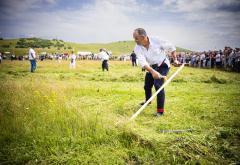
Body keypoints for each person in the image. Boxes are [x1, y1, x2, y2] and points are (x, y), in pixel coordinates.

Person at [133, 28, 179, 117]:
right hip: (151, 67)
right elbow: (142, 62)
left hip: (162, 65)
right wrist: (152, 71)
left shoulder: (157, 40)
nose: (134, 40)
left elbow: (171, 47)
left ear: (143, 37)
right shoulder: (137, 48)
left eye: (136, 38)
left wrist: (175, 59)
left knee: (158, 85)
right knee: (147, 86)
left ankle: (160, 111)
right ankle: (148, 101)